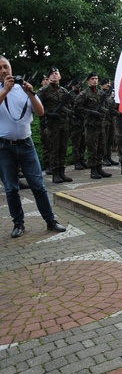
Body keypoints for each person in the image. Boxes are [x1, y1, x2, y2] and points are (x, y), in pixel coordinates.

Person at [0, 55, 66, 238]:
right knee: (11, 188)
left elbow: (41, 112)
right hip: (4, 147)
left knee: (38, 185)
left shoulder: (23, 89)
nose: (4, 71)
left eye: (6, 66)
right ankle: (18, 223)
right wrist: (5, 90)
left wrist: (30, 92)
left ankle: (50, 220)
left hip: (26, 145)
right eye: (0, 68)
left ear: (11, 68)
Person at [37, 67, 76, 183]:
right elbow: (37, 107)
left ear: (60, 77)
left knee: (63, 149)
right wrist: (48, 114)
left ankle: (62, 172)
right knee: (54, 149)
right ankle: (55, 174)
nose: (54, 75)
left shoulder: (64, 91)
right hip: (51, 125)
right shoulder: (43, 90)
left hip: (64, 124)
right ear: (48, 77)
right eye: (52, 74)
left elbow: (70, 106)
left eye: (56, 73)